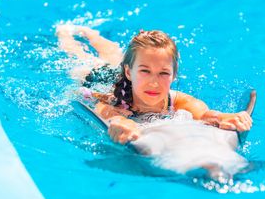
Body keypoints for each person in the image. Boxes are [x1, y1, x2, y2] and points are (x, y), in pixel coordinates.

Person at [55, 23, 253, 145]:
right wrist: (122, 125)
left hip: (124, 72)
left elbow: (206, 114)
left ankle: (91, 33)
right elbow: (115, 118)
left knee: (112, 54)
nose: (154, 82)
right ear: (128, 72)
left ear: (174, 76)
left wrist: (226, 118)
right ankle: (64, 32)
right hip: (96, 79)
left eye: (163, 73)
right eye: (145, 71)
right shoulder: (112, 104)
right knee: (80, 58)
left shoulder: (180, 102)